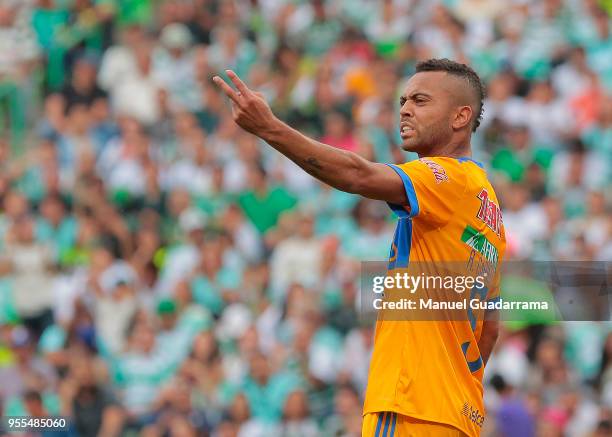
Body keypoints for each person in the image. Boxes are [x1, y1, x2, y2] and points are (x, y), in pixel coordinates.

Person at [214, 58, 505, 437]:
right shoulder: (490, 210)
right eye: (403, 100)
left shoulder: (447, 177)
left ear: (460, 116)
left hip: (409, 406)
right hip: (456, 416)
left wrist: (270, 129)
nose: (404, 109)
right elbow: (490, 330)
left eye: (420, 100)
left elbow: (357, 174)